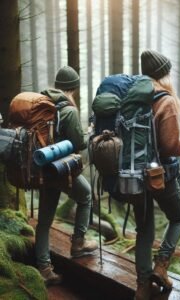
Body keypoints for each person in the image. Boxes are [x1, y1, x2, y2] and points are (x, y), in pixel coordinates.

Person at [133, 50, 180, 300]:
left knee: (144, 230)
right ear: (164, 75)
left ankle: (142, 287)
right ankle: (161, 267)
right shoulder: (166, 100)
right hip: (161, 175)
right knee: (179, 219)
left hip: (134, 175)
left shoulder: (134, 96)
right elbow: (171, 145)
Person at [35, 66, 98, 286]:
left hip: (43, 168)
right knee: (86, 195)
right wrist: (90, 132)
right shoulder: (68, 111)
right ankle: (78, 243)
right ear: (73, 88)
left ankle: (43, 268)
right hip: (62, 170)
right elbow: (78, 143)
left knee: (44, 220)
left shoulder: (43, 105)